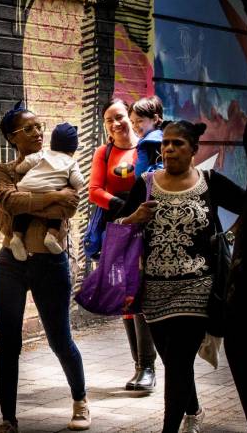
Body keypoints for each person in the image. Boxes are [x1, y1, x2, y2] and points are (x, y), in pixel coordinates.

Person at [118, 120, 245, 433]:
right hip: (155, 292)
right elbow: (118, 228)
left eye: (178, 144)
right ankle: (194, 410)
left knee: (178, 363)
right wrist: (134, 218)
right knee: (175, 363)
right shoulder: (146, 183)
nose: (170, 149)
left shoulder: (210, 182)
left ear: (193, 150)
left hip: (197, 287)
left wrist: (232, 239)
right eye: (166, 144)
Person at [0, 103, 91, 432]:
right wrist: (51, 197)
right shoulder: (3, 172)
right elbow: (8, 200)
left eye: (38, 126)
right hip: (10, 264)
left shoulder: (59, 162)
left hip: (50, 262)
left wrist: (33, 196)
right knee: (9, 344)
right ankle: (8, 419)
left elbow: (72, 203)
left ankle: (80, 401)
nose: (37, 133)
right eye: (28, 129)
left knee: (59, 339)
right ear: (11, 137)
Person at [88, 97, 157, 391]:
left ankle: (148, 367)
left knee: (140, 296)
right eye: (109, 120)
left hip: (146, 232)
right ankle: (139, 366)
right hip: (117, 231)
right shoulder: (104, 153)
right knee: (126, 299)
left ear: (130, 117)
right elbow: (94, 191)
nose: (115, 124)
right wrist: (123, 206)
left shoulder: (148, 148)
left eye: (119, 117)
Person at [8, 122, 85, 260]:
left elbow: (27, 163)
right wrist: (75, 186)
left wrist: (19, 169)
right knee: (57, 209)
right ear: (73, 149)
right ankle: (51, 235)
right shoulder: (71, 162)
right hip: (50, 189)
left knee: (23, 210)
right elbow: (78, 182)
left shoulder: (43, 153)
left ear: (53, 143)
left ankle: (17, 237)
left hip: (27, 186)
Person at [129, 96, 164, 177]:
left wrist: (146, 177)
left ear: (155, 119)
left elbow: (161, 167)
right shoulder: (151, 140)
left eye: (139, 121)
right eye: (132, 122)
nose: (134, 126)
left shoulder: (153, 142)